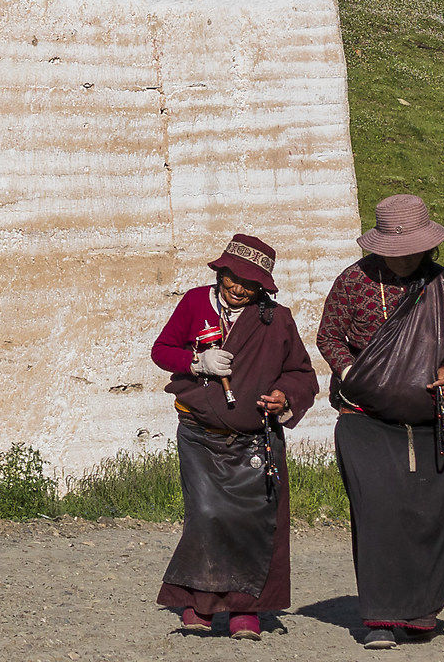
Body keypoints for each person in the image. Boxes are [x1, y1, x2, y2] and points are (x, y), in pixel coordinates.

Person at [316, 194, 444, 648]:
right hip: (364, 419)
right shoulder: (353, 282)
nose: (405, 259)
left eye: (413, 250)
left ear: (429, 247)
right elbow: (329, 334)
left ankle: (417, 612)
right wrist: (353, 372)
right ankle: (379, 617)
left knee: (425, 516)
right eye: (396, 252)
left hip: (427, 421)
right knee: (378, 515)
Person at [150, 233, 320, 640]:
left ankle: (247, 610)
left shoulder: (276, 319)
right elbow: (161, 350)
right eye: (231, 280)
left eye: (248, 284)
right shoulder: (195, 302)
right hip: (199, 435)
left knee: (253, 522)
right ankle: (200, 603)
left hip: (254, 441)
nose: (238, 289)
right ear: (220, 272)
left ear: (261, 286)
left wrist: (284, 398)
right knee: (207, 515)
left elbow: (301, 374)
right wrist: (196, 362)